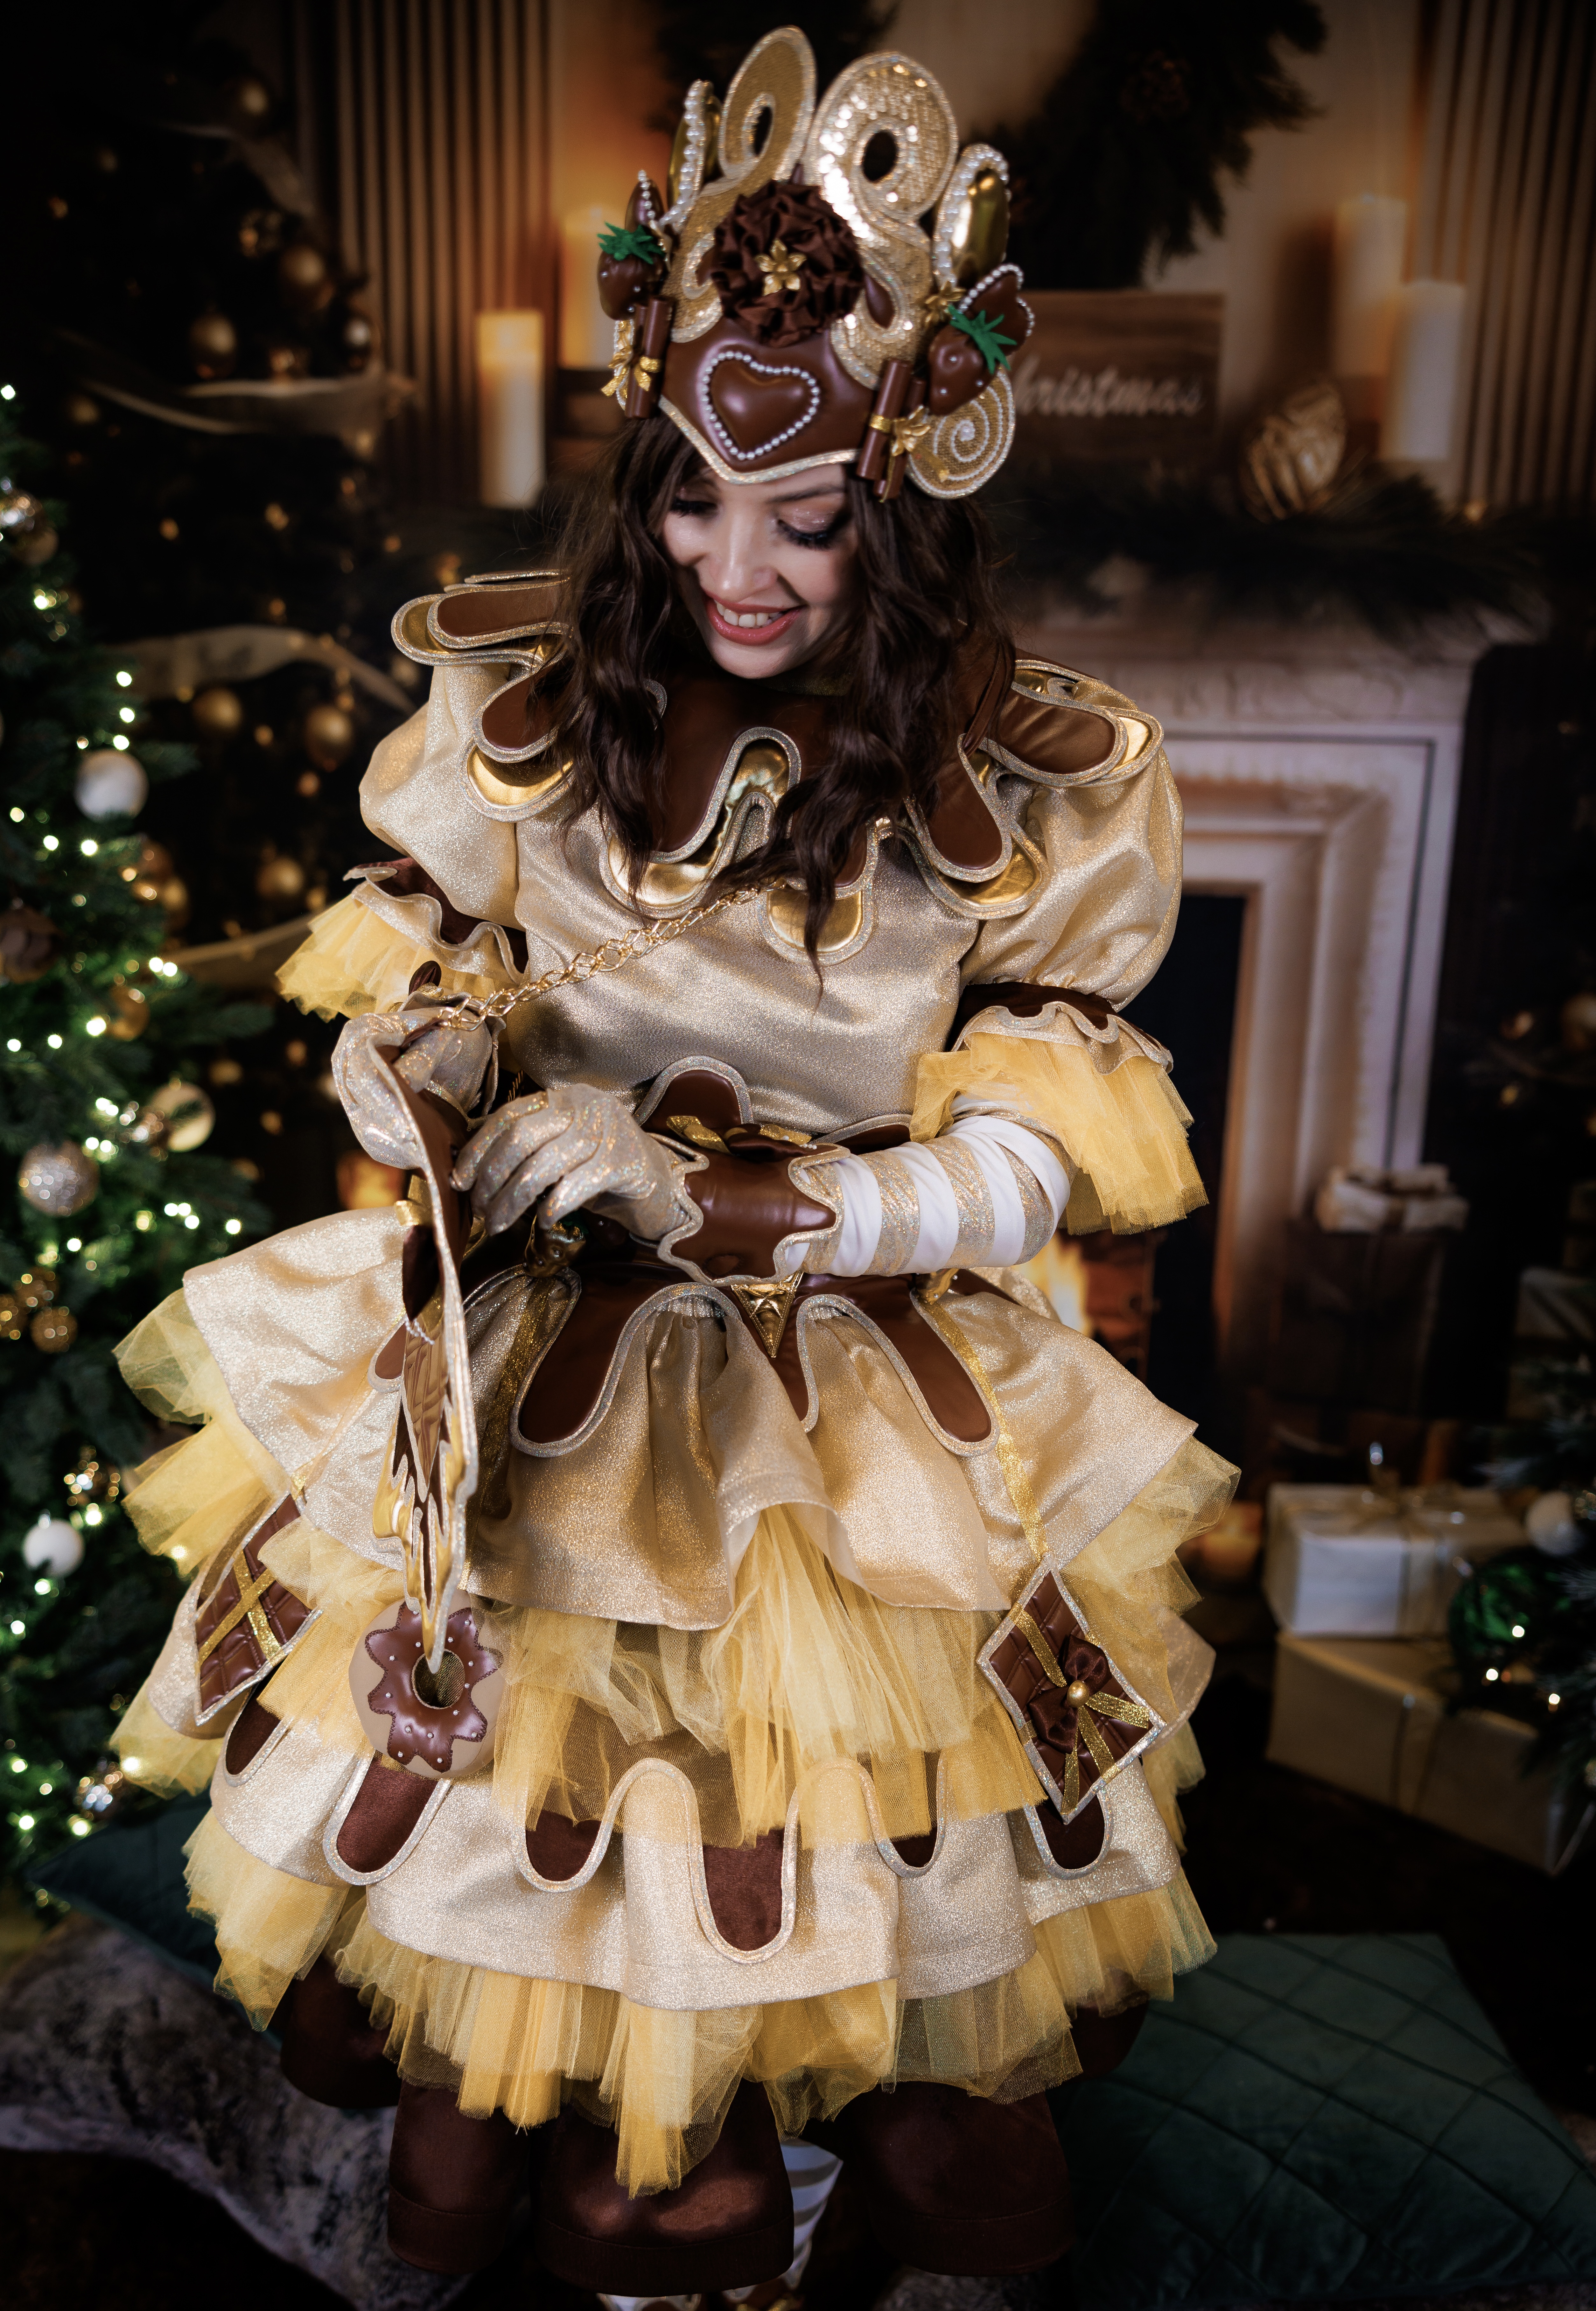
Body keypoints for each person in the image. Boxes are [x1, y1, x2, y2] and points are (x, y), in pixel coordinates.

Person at [111, 27, 1236, 2310]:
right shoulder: (520, 711)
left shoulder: (1034, 777)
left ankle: (746, 2222)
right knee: (500, 1948)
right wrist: (414, 1078)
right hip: (528, 1387)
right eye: (697, 507)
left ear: (902, 494)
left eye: (808, 519)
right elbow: (418, 979)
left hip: (849, 1423)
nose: (739, 567)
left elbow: (1044, 1152)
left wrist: (764, 1210)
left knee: (811, 1965)